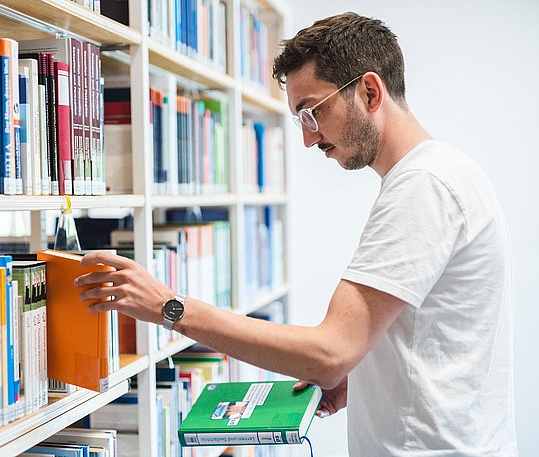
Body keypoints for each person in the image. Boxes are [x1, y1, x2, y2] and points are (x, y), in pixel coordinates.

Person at [75, 12, 517, 456]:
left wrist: (169, 308)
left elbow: (329, 352)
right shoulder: (438, 174)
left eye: (312, 112)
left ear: (369, 91)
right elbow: (423, 330)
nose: (309, 139)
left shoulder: (424, 186)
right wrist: (366, 377)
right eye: (299, 120)